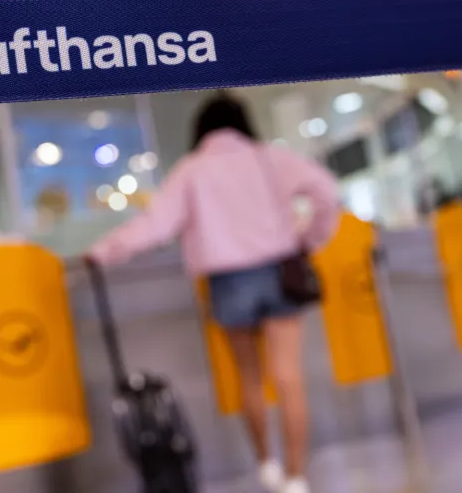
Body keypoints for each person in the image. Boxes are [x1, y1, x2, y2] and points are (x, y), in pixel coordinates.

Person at [87, 95, 339, 493]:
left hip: (228, 282)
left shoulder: (192, 170)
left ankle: (265, 464)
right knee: (288, 376)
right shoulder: (270, 158)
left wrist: (104, 251)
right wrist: (308, 238)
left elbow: (157, 225)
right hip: (280, 271)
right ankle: (296, 476)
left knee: (249, 379)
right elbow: (326, 192)